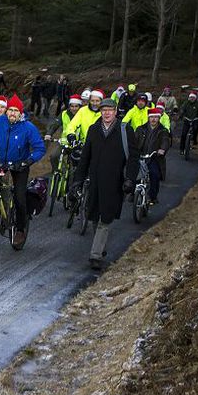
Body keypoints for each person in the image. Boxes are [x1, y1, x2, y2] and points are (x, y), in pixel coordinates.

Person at [73, 98, 139, 270]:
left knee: (105, 218)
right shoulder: (93, 130)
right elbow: (85, 157)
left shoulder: (125, 130)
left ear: (116, 111)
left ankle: (95, 255)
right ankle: (100, 248)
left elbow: (133, 157)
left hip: (114, 182)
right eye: (104, 110)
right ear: (100, 112)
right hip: (94, 181)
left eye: (110, 110)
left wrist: (130, 178)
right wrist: (77, 180)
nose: (107, 113)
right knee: (94, 216)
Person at [0, 94, 46, 248]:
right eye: (10, 109)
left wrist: (27, 161)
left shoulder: (28, 127)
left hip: (20, 164)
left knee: (19, 197)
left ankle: (20, 229)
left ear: (20, 113)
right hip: (0, 160)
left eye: (16, 110)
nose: (12, 113)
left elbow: (39, 148)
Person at [135, 108, 170, 205]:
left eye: (156, 117)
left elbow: (165, 141)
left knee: (155, 175)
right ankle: (133, 194)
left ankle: (152, 197)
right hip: (141, 156)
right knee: (133, 173)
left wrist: (162, 149)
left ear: (159, 118)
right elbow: (134, 141)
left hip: (154, 157)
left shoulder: (163, 130)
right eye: (152, 117)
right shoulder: (140, 129)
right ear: (148, 118)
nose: (153, 119)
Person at [44, 94, 82, 173]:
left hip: (77, 144)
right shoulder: (64, 114)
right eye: (72, 106)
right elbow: (55, 124)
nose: (74, 108)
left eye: (76, 106)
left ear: (79, 106)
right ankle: (56, 173)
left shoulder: (83, 115)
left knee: (76, 165)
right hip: (64, 142)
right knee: (54, 156)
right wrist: (49, 134)